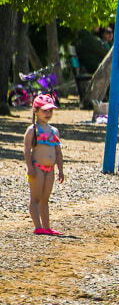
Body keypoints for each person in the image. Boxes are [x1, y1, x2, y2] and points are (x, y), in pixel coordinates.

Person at [24, 94, 65, 236]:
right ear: (36, 111)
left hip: (50, 169)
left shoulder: (54, 131)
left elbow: (58, 152)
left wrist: (60, 169)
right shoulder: (32, 130)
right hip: (37, 168)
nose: (48, 114)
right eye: (44, 110)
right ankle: (38, 226)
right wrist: (30, 168)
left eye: (50, 111)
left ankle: (47, 227)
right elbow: (27, 151)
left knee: (45, 199)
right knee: (35, 198)